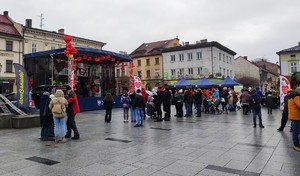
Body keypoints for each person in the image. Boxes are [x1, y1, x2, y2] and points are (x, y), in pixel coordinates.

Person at [287, 87, 300, 151]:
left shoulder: (291, 96)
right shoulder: (296, 97)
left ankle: (297, 143)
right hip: (296, 116)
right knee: (296, 131)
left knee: (296, 130)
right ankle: (296, 145)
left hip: (293, 116)